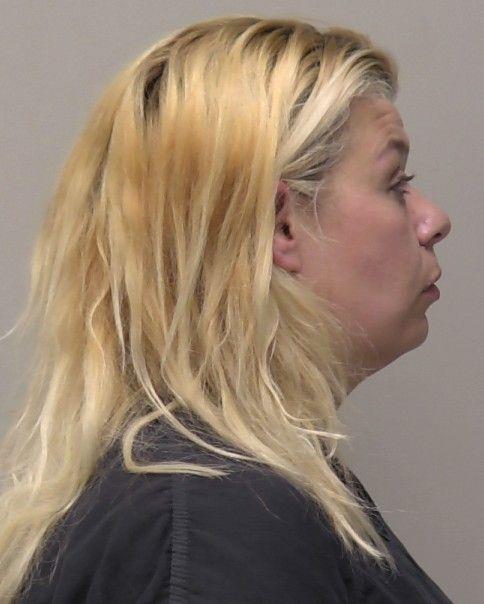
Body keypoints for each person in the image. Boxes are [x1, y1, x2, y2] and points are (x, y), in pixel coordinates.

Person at [0, 14, 452, 603]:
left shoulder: (216, 494)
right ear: (281, 224)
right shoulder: (222, 518)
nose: (433, 220)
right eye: (395, 182)